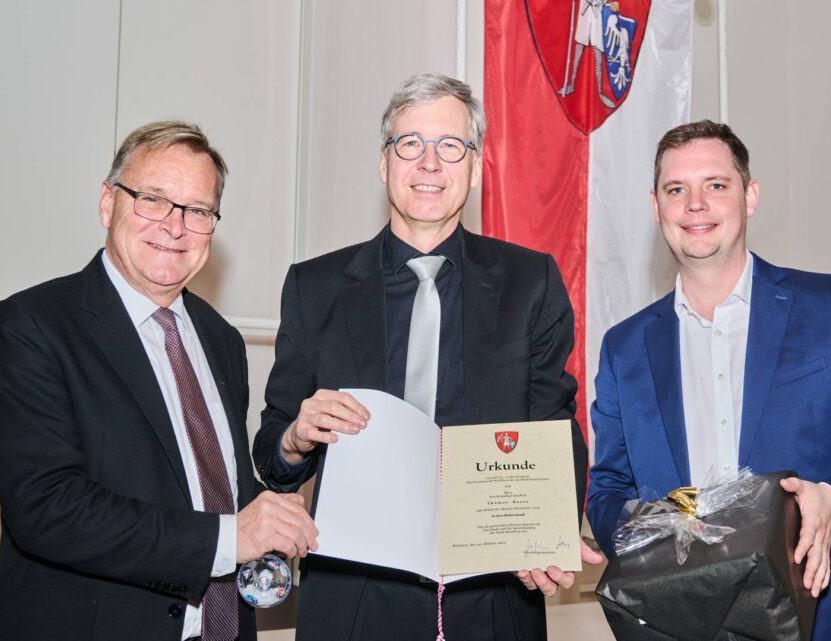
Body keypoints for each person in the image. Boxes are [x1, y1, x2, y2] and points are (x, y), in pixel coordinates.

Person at [252, 72, 599, 641]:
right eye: (410, 144)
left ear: (476, 165)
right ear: (384, 163)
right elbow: (270, 455)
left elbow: (554, 428)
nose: (430, 164)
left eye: (451, 146)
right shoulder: (314, 288)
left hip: (492, 602)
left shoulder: (529, 283)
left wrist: (549, 528)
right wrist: (294, 439)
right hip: (352, 605)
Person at [586, 119, 831, 640]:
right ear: (656, 207)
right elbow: (608, 488)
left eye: (716, 185)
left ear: (749, 196)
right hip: (686, 621)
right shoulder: (624, 347)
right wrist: (655, 542)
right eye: (676, 189)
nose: (695, 205)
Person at [0, 121, 318, 641]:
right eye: (154, 199)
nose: (175, 226)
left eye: (198, 211)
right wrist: (231, 536)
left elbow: (210, 483)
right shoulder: (29, 326)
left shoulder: (220, 339)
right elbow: (48, 508)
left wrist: (270, 516)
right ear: (107, 203)